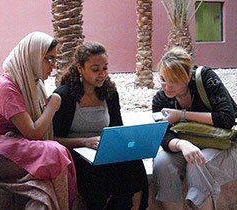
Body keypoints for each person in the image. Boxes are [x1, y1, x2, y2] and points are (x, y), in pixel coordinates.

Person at [0, 31, 77, 210]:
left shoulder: (32, 82)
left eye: (54, 60)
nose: (53, 66)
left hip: (21, 151)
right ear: (32, 56)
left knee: (43, 194)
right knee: (56, 153)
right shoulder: (7, 87)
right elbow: (33, 132)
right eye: (48, 59)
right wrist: (52, 105)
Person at [53, 42, 149, 210]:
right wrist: (84, 142)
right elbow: (52, 140)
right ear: (80, 68)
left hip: (105, 150)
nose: (102, 74)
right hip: (75, 154)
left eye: (105, 68)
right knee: (97, 178)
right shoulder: (64, 96)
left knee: (135, 167)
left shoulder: (110, 93)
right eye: (95, 69)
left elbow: (117, 129)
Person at [152, 47, 237, 210]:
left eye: (174, 81)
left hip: (225, 144)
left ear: (188, 76)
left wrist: (182, 115)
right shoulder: (161, 99)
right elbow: (163, 136)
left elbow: (226, 118)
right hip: (189, 145)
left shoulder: (205, 79)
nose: (167, 86)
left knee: (197, 163)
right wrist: (182, 145)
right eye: (163, 79)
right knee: (162, 164)